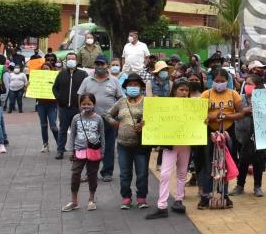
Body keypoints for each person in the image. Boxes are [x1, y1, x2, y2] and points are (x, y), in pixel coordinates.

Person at [146, 79, 194, 219]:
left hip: (186, 143)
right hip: (170, 144)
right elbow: (156, 119)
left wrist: (203, 121)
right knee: (165, 174)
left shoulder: (193, 106)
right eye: (181, 90)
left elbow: (197, 121)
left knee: (182, 173)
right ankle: (162, 205)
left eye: (186, 90)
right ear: (175, 91)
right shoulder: (165, 105)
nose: (184, 93)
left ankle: (178, 200)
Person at [198, 68, 246, 209]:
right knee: (209, 164)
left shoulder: (233, 94)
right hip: (210, 132)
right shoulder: (206, 94)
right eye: (216, 81)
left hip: (228, 133)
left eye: (222, 81)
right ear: (212, 81)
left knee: (225, 164)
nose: (219, 84)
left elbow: (241, 113)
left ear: (227, 81)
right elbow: (199, 114)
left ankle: (224, 194)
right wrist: (213, 117)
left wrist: (226, 116)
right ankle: (206, 196)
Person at [106, 73, 151, 209]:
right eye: (130, 85)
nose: (133, 87)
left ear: (141, 87)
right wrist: (115, 123)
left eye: (135, 85)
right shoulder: (121, 102)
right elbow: (107, 114)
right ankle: (126, 198)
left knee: (142, 173)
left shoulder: (148, 102)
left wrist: (144, 124)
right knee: (125, 173)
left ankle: (141, 198)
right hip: (123, 144)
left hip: (141, 144)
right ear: (125, 87)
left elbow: (156, 120)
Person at [77, 54, 123, 181]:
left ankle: (107, 172)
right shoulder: (87, 80)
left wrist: (118, 117)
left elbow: (120, 99)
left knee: (108, 146)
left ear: (106, 65)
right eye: (97, 64)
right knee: (90, 145)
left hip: (109, 119)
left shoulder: (114, 81)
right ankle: (90, 172)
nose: (100, 67)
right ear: (94, 66)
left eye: (102, 64)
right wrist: (81, 113)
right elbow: (80, 97)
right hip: (91, 118)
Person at [61, 93, 105, 212]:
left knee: (92, 175)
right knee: (75, 174)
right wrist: (71, 150)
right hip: (79, 151)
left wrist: (102, 152)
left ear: (94, 104)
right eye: (83, 104)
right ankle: (74, 201)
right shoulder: (76, 118)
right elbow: (72, 135)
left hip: (94, 152)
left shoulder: (98, 118)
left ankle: (91, 199)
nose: (86, 106)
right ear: (80, 105)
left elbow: (102, 136)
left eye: (89, 104)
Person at [231, 74, 266, 198]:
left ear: (257, 86)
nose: (247, 86)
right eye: (246, 83)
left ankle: (258, 186)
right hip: (242, 135)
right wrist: (245, 110)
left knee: (258, 161)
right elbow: (233, 112)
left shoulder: (264, 98)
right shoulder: (240, 98)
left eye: (250, 84)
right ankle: (240, 185)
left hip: (259, 135)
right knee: (243, 161)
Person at [52, 52, 89, 160]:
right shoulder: (61, 74)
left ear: (77, 61)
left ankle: (76, 151)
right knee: (63, 130)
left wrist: (82, 104)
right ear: (66, 61)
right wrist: (59, 98)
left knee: (77, 131)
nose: (71, 61)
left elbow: (87, 90)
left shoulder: (83, 74)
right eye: (69, 59)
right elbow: (55, 88)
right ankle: (60, 150)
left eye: (73, 59)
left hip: (77, 108)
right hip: (63, 108)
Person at [36, 63, 59, 153]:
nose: (45, 70)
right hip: (41, 104)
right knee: (43, 125)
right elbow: (31, 91)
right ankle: (45, 144)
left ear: (51, 69)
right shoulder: (38, 78)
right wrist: (29, 86)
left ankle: (59, 144)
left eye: (47, 68)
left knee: (53, 125)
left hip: (52, 104)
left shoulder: (55, 78)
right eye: (44, 69)